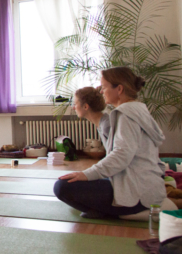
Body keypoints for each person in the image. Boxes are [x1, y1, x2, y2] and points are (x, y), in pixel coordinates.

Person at [54, 67, 167, 219]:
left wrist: (87, 174)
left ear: (119, 89)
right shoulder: (137, 110)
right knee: (74, 182)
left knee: (62, 187)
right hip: (143, 185)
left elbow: (121, 155)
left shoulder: (126, 115)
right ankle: (103, 210)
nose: (101, 92)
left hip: (138, 193)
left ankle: (110, 212)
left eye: (104, 87)